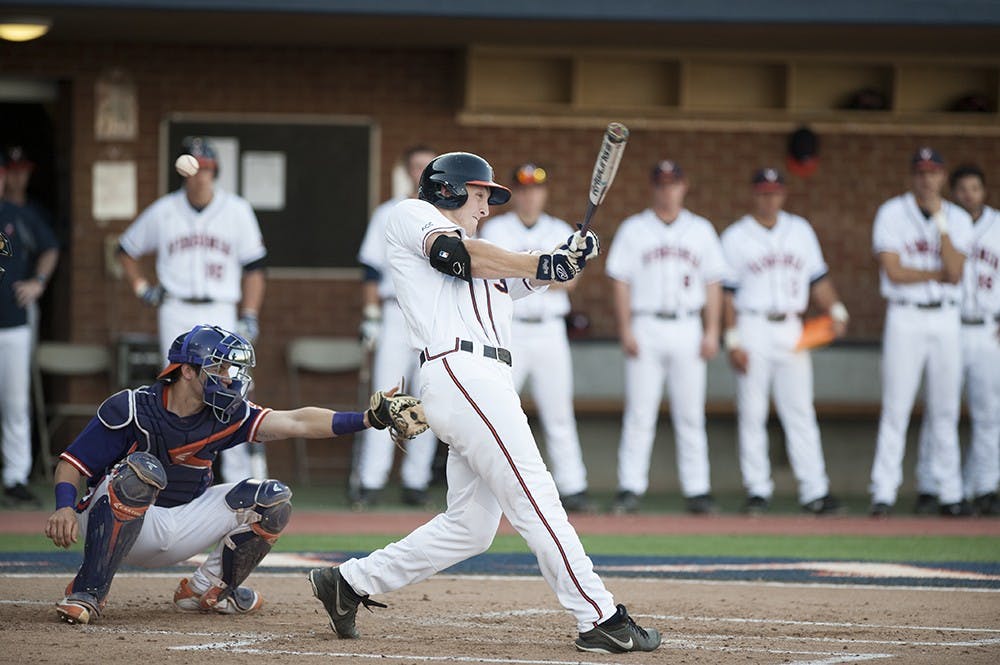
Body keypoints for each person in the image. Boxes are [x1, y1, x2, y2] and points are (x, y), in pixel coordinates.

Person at [308, 152, 661, 654]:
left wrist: (564, 258)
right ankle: (598, 615)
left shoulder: (482, 250)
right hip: (462, 371)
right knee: (535, 495)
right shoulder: (414, 216)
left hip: (484, 377)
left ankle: (349, 583)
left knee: (470, 528)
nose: (486, 207)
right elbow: (455, 258)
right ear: (449, 190)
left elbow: (514, 281)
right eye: (479, 196)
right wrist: (540, 259)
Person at [44, 323, 423, 624]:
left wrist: (366, 419)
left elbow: (296, 422)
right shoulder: (130, 407)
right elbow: (72, 464)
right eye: (219, 368)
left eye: (231, 369)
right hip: (120, 517)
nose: (229, 377)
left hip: (183, 520)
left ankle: (208, 590)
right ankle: (88, 590)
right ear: (188, 372)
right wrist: (63, 506)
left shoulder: (228, 413)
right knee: (142, 471)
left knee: (271, 498)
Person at [118, 136, 267, 483]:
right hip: (176, 308)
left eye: (207, 169)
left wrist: (250, 313)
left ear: (216, 173)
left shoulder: (236, 210)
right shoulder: (164, 210)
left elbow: (256, 268)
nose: (200, 176)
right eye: (195, 168)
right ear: (184, 172)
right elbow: (126, 249)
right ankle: (175, 471)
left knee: (232, 388)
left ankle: (237, 478)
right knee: (179, 389)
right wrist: (142, 288)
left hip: (221, 307)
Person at [721, 167, 847, 515]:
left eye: (775, 191)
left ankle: (814, 491)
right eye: (763, 192)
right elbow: (728, 294)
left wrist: (836, 310)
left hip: (792, 327)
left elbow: (817, 279)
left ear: (783, 194)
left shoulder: (801, 230)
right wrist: (732, 339)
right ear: (754, 194)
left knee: (800, 410)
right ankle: (757, 490)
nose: (769, 197)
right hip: (752, 325)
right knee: (752, 412)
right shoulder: (735, 236)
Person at [604, 160, 726, 515]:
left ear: (684, 186)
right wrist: (625, 328)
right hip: (647, 324)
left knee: (690, 413)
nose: (667, 190)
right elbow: (620, 281)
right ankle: (630, 487)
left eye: (673, 183)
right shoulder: (634, 228)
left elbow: (713, 283)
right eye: (661, 184)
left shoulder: (701, 229)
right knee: (640, 411)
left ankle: (698, 489)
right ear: (653, 187)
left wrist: (713, 329)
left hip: (689, 324)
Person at [478, 162, 594, 513]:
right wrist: (542, 268)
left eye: (536, 189)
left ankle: (573, 486)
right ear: (515, 193)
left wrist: (527, 266)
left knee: (558, 411)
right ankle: (492, 486)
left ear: (544, 193)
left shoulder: (559, 229)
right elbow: (491, 274)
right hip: (509, 330)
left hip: (549, 329)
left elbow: (569, 280)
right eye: (524, 189)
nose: (530, 196)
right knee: (498, 411)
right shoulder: (495, 229)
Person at [868, 148, 973, 518]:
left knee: (945, 409)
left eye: (933, 173)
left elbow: (956, 270)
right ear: (912, 176)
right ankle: (883, 492)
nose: (927, 180)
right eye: (921, 173)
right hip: (905, 316)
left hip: (945, 318)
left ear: (943, 177)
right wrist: (933, 275)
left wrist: (941, 223)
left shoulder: (957, 218)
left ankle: (950, 492)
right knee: (896, 407)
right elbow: (894, 270)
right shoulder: (892, 212)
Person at [353, 145, 439, 508]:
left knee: (430, 397)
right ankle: (371, 479)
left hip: (433, 316)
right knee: (385, 395)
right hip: (394, 311)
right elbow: (370, 270)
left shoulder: (444, 214)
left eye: (428, 168)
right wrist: (370, 316)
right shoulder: (388, 213)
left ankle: (415, 481)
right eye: (416, 167)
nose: (421, 173)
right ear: (406, 170)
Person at [912, 164, 999, 516]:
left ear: (984, 192)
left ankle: (985, 485)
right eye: (961, 189)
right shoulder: (944, 222)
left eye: (974, 189)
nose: (967, 195)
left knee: (990, 411)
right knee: (940, 408)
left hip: (990, 327)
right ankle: (931, 485)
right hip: (950, 322)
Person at [0, 152, 60, 505]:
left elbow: (51, 248)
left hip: (13, 323)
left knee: (15, 403)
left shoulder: (17, 215)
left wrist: (37, 281)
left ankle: (15, 475)